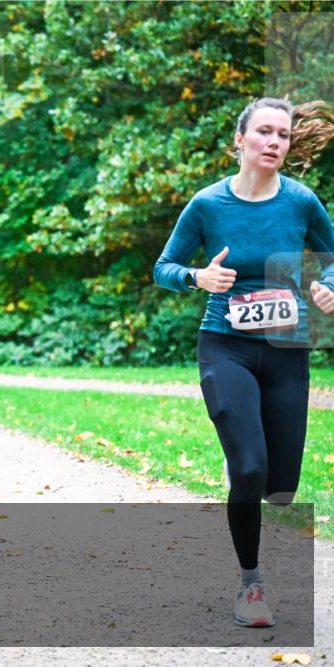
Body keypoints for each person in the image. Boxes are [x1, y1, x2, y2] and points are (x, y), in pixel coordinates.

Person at [153, 98, 334, 628]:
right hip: (224, 344)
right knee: (250, 468)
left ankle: (249, 464)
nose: (275, 142)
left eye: (283, 134)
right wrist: (197, 278)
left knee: (281, 486)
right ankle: (251, 585)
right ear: (240, 141)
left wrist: (327, 285)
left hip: (285, 349)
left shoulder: (301, 202)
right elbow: (164, 267)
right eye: (264, 132)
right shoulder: (208, 205)